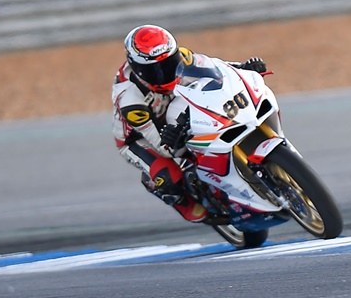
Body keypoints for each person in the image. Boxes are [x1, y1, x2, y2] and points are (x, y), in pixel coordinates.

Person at [111, 24, 267, 222]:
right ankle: (182, 202)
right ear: (139, 70)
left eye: (170, 63)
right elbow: (165, 148)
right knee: (167, 176)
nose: (166, 72)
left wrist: (242, 68)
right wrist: (171, 140)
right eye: (155, 70)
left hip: (172, 107)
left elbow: (215, 69)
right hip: (138, 138)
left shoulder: (183, 56)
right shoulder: (131, 101)